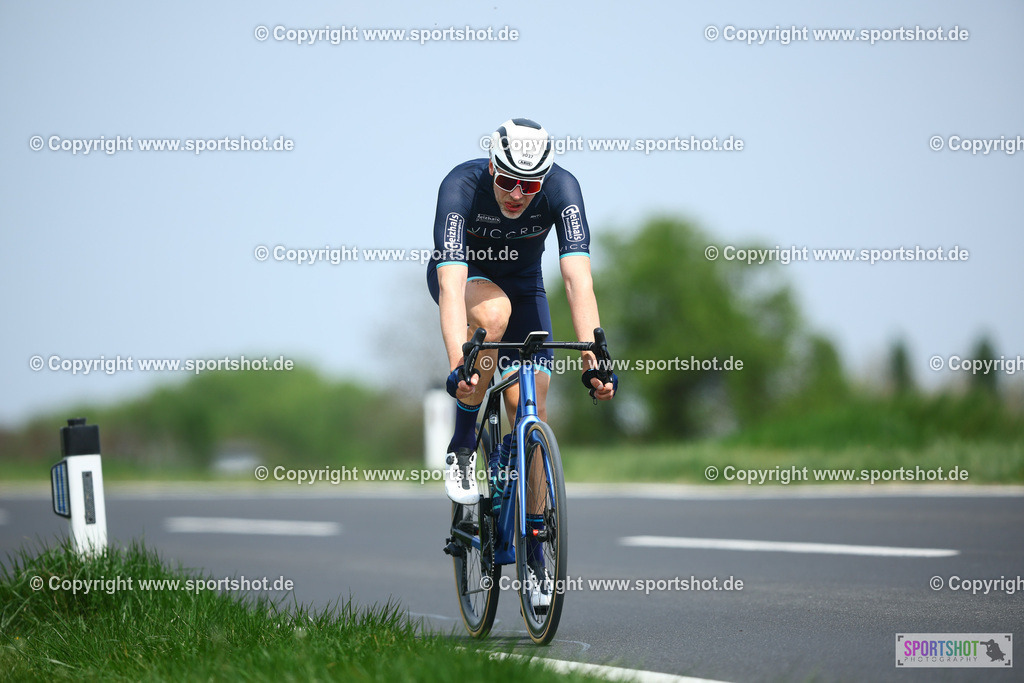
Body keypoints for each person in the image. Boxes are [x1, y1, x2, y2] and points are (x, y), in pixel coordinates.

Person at [426, 118, 616, 507]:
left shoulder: (563, 188)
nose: (516, 194)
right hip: (468, 277)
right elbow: (450, 283)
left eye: (529, 186)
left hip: (525, 286)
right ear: (493, 167)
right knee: (494, 315)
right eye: (507, 181)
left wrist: (592, 358)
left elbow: (578, 281)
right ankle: (462, 447)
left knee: (530, 409)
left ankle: (535, 544)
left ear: (544, 179)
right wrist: (456, 365)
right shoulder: (460, 185)